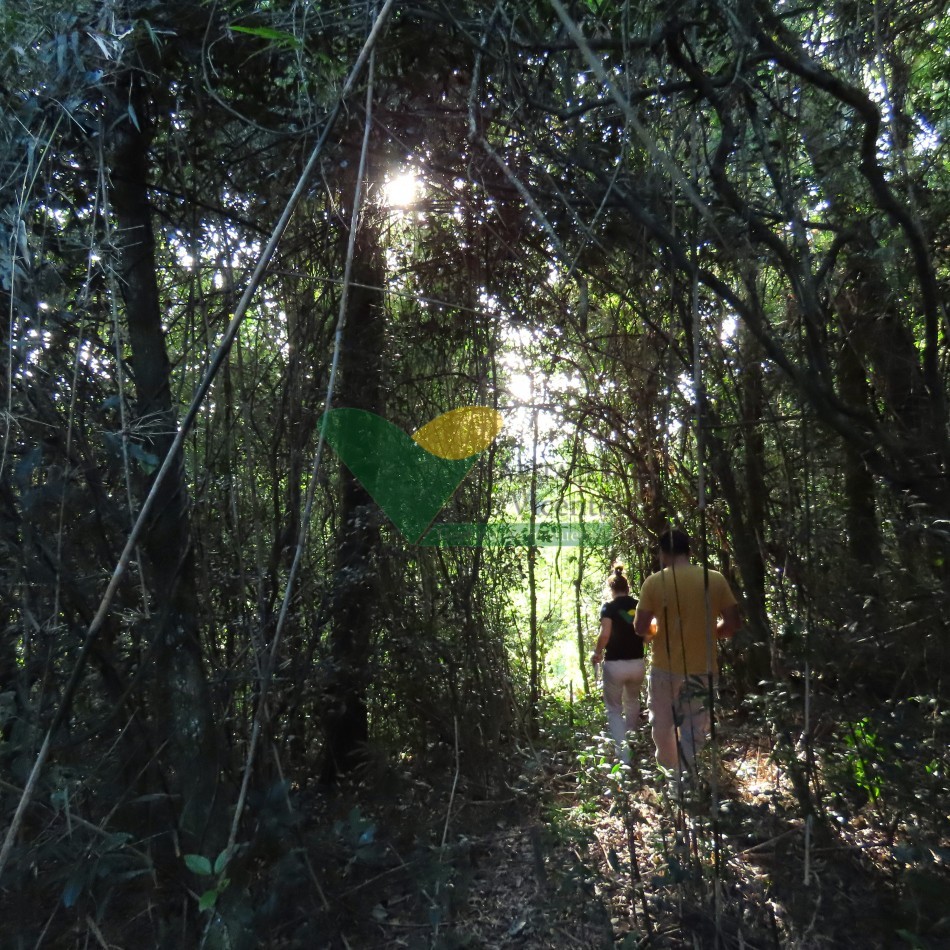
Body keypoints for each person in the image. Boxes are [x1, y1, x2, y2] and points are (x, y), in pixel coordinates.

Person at [633, 529, 740, 772]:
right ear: (689, 551)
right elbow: (734, 623)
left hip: (664, 667)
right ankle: (686, 780)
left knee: (662, 725)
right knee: (694, 728)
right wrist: (710, 633)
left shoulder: (654, 582)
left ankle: (671, 774)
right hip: (703, 668)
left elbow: (640, 627)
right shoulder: (714, 579)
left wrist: (654, 629)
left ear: (663, 553)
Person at [591, 565, 647, 764]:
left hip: (615, 665)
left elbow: (605, 633)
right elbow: (647, 635)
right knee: (632, 702)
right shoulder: (638, 605)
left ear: (611, 589)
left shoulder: (609, 607)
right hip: (637, 663)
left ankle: (624, 756)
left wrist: (597, 653)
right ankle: (631, 740)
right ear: (628, 588)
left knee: (614, 709)